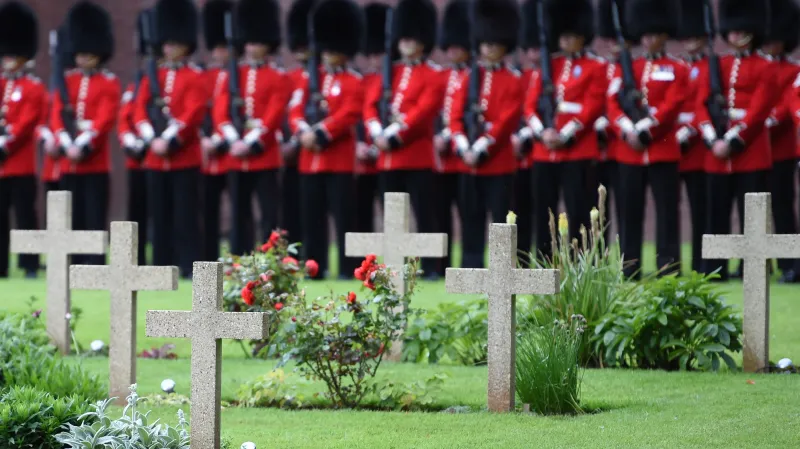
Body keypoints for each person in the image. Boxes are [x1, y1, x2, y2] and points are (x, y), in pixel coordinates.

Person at [699, 0, 779, 281]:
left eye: (739, 30)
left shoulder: (765, 67)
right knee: (716, 214)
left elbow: (759, 111)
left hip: (750, 151)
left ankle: (752, 267)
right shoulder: (718, 65)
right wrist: (712, 139)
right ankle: (715, 268)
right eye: (730, 31)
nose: (733, 35)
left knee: (752, 218)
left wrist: (733, 139)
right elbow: (702, 102)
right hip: (716, 152)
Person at [363, 0, 444, 276]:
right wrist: (377, 133)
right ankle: (398, 265)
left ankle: (432, 266)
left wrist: (394, 135)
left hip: (416, 154)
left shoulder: (433, 74)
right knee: (394, 218)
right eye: (404, 38)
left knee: (425, 214)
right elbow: (370, 107)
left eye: (413, 38)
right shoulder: (390, 72)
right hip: (388, 159)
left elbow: (424, 111)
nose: (407, 43)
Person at [607, 0, 686, 279]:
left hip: (662, 150)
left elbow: (674, 103)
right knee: (629, 212)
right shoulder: (628, 67)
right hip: (628, 150)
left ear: (664, 35)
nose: (650, 39)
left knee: (667, 211)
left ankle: (668, 265)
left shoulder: (676, 68)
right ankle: (630, 266)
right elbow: (612, 103)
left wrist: (647, 128)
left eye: (655, 34)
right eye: (646, 34)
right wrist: (629, 128)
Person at [524, 0, 606, 261]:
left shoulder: (595, 67)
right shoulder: (548, 67)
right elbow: (530, 107)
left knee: (579, 209)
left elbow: (592, 105)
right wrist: (543, 133)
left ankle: (581, 261)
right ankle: (545, 259)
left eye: (573, 36)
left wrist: (565, 135)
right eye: (564, 35)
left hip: (576, 151)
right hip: (543, 151)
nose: (567, 40)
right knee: (543, 211)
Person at [288, 0, 364, 279]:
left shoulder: (353, 81)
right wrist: (301, 132)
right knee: (312, 220)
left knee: (344, 219)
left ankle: (348, 269)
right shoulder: (310, 79)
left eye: (335, 49)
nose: (330, 54)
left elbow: (350, 112)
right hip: (310, 162)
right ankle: (316, 268)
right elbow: (295, 109)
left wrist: (320, 131)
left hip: (339, 161)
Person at [448, 0, 523, 269]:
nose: (489, 48)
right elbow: (455, 114)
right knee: (470, 218)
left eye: (494, 43)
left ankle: (502, 268)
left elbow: (506, 119)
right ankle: (471, 266)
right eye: (485, 43)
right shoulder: (469, 78)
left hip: (497, 162)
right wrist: (462, 145)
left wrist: (480, 145)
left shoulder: (513, 79)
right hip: (467, 162)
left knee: (500, 219)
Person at [133, 0, 205, 279]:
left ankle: (188, 265)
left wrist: (170, 139)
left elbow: (194, 111)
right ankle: (160, 264)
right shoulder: (154, 75)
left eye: (176, 44)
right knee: (158, 216)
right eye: (167, 44)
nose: (170, 48)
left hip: (183, 156)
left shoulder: (193, 76)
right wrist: (152, 138)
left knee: (186, 217)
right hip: (154, 156)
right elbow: (140, 108)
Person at [215, 0, 290, 256]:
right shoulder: (231, 75)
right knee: (239, 213)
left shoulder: (277, 76)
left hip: (264, 155)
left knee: (269, 213)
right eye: (249, 42)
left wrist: (252, 141)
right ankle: (238, 259)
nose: (253, 47)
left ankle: (271, 260)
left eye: (258, 42)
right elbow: (220, 111)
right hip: (235, 156)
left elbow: (274, 112)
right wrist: (233, 139)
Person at [50, 1, 120, 266]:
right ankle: (73, 260)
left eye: (89, 54)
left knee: (94, 215)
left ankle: (94, 261)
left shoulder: (108, 82)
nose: (84, 58)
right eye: (80, 54)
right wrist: (67, 142)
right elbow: (57, 113)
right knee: (72, 215)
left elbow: (105, 117)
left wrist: (82, 142)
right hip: (69, 159)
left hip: (94, 159)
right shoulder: (67, 80)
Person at [0, 1, 45, 279]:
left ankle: (29, 262)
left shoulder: (33, 87)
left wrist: (7, 141)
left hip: (20, 162)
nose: (7, 60)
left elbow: (28, 120)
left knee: (25, 215)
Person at [763, 0, 800, 283]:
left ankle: (791, 263)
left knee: (784, 208)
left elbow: (789, 106)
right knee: (753, 210)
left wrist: (765, 121)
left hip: (781, 150)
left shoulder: (791, 71)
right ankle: (756, 263)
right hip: (752, 151)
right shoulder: (759, 67)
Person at [433, 0, 470, 274]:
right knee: (439, 215)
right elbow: (433, 110)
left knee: (468, 214)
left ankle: (469, 264)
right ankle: (439, 265)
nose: (455, 50)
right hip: (440, 159)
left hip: (464, 156)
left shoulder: (474, 76)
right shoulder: (442, 75)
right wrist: (438, 134)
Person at [595, 0, 635, 243]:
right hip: (597, 149)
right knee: (597, 211)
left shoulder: (636, 69)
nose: (613, 45)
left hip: (623, 147)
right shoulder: (599, 68)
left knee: (627, 208)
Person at [674, 0, 710, 275]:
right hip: (672, 145)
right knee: (671, 210)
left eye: (695, 37)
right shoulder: (678, 67)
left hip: (697, 148)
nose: (691, 42)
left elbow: (704, 105)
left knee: (700, 211)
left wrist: (690, 131)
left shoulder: (711, 68)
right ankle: (673, 264)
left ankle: (701, 262)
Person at [199, 0, 234, 261]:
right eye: (217, 47)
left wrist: (222, 139)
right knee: (206, 211)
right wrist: (203, 137)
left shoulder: (238, 76)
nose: (220, 53)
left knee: (238, 210)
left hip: (231, 152)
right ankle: (208, 257)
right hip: (206, 155)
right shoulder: (205, 76)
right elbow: (198, 109)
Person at [118, 10, 153, 266]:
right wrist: (131, 141)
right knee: (136, 214)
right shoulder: (137, 83)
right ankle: (136, 259)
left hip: (159, 155)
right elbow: (125, 116)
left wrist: (150, 138)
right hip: (137, 158)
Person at [281, 0, 318, 245]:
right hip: (289, 153)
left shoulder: (322, 76)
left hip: (314, 148)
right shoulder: (289, 77)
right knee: (290, 210)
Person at [356, 3, 389, 243]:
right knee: (361, 214)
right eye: (370, 54)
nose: (373, 59)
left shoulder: (393, 81)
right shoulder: (361, 81)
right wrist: (359, 145)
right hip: (362, 160)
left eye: (378, 54)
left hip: (388, 156)